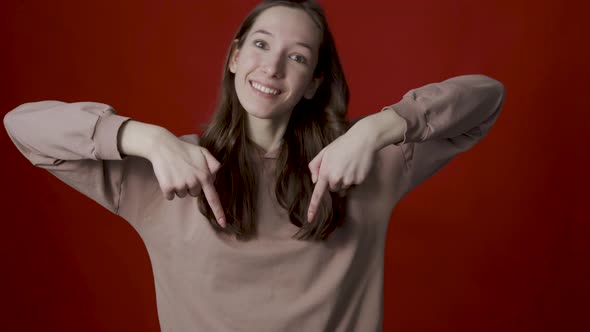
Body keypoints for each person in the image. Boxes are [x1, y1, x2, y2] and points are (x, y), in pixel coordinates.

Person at [3, 0, 505, 331]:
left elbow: (485, 99)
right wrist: (144, 138)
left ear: (312, 82)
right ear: (235, 57)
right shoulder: (168, 168)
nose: (272, 67)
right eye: (261, 45)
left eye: (298, 57)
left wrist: (378, 128)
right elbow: (24, 125)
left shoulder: (363, 162)